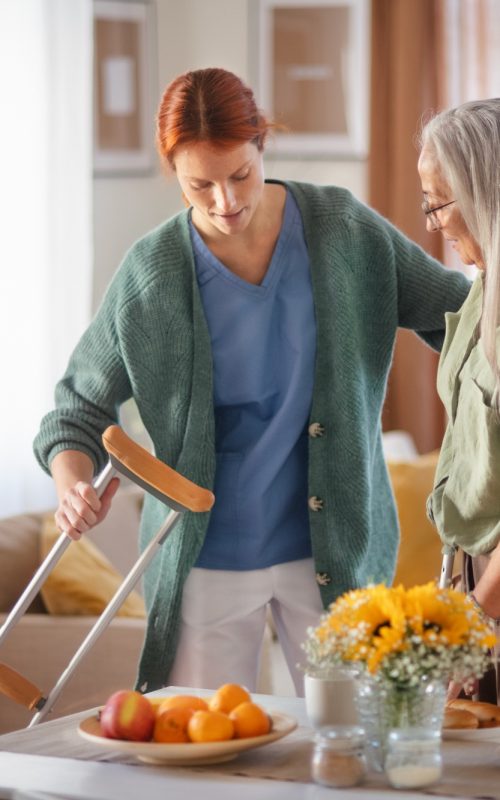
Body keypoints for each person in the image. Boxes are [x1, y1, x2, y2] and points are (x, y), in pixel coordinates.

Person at [34, 68, 470, 697]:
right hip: (204, 562)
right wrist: (73, 484)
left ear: (262, 143)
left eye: (239, 175)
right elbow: (74, 409)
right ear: (173, 174)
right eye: (198, 185)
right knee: (207, 758)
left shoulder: (343, 230)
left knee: (351, 756)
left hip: (335, 552)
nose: (224, 202)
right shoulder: (150, 275)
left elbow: (461, 315)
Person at [419, 97, 500, 704]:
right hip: (474, 580)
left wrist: (479, 613)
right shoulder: (481, 290)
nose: (432, 223)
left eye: (438, 203)